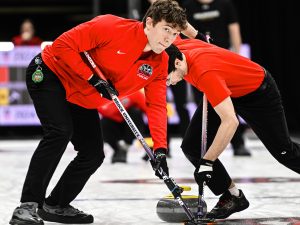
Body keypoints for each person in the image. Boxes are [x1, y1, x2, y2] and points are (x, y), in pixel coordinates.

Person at [9, 1, 188, 224]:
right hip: (51, 73)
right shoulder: (110, 26)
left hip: (82, 95)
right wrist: (92, 78)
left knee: (93, 153)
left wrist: (160, 149)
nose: (169, 38)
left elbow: (157, 106)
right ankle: (27, 205)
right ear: (149, 23)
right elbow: (62, 46)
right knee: (59, 132)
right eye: (166, 29)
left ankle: (55, 205)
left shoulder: (160, 62)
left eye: (175, 33)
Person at [165, 37, 300, 219]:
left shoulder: (205, 73)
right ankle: (233, 196)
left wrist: (207, 163)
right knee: (192, 146)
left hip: (257, 92)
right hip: (226, 86)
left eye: (167, 78)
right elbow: (177, 25)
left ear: (177, 62)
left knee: (284, 152)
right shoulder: (174, 48)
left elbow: (230, 122)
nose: (168, 83)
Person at [182, 0, 251, 156]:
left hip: (222, 61)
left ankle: (238, 143)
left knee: (230, 103)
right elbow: (182, 29)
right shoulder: (188, 6)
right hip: (198, 64)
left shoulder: (225, 4)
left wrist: (238, 55)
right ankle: (205, 146)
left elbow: (234, 29)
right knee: (204, 106)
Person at [98, 90, 148, 163]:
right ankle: (118, 149)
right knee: (102, 123)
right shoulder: (100, 96)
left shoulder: (134, 92)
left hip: (132, 128)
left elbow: (150, 112)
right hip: (114, 126)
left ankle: (125, 146)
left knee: (135, 112)